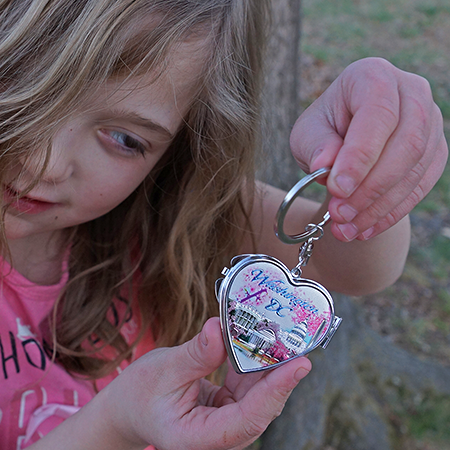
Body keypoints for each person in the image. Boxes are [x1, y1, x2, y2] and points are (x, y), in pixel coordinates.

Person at [0, 1, 446, 449]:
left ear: (182, 145)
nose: (45, 163)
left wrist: (369, 161)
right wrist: (116, 427)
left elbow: (359, 269)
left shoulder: (166, 210)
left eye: (125, 139)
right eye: (23, 91)